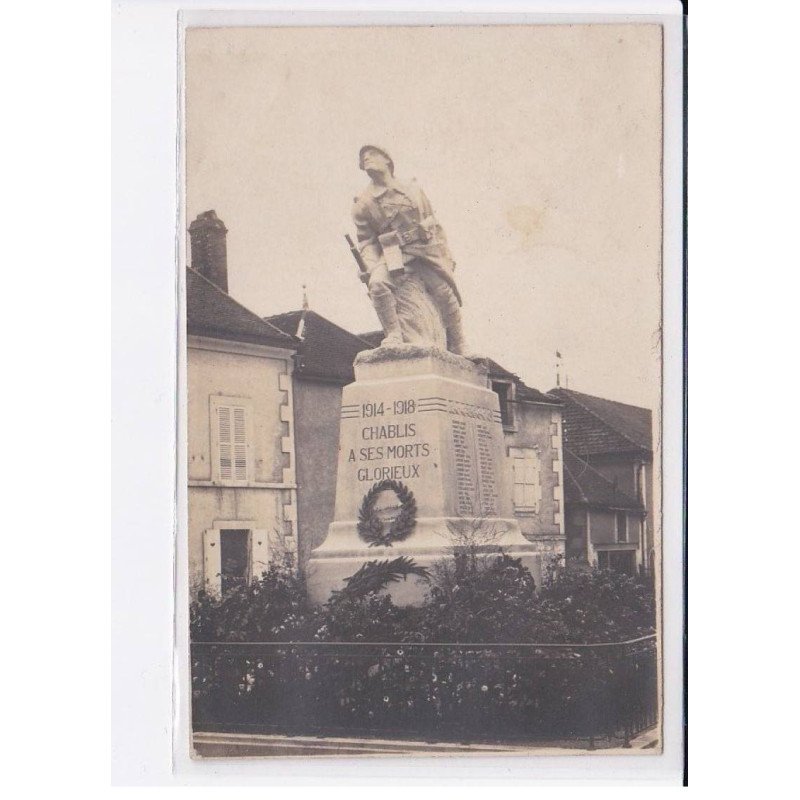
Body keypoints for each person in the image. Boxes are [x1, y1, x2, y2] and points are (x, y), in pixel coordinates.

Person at [351, 145, 468, 355]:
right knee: (377, 285)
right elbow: (366, 242)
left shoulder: (413, 189)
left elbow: (432, 217)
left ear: (388, 160)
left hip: (425, 249)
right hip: (395, 254)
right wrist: (369, 266)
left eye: (372, 154)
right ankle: (394, 335)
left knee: (444, 291)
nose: (366, 158)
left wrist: (432, 233)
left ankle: (460, 344)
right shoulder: (364, 204)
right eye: (363, 158)